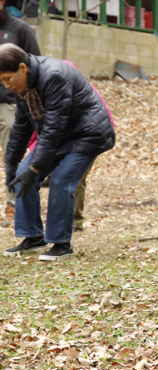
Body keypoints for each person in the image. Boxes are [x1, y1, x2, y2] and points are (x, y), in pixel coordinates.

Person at [0, 43, 115, 261]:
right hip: (61, 136)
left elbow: (53, 127)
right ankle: (33, 237)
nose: (6, 86)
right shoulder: (22, 88)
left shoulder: (53, 76)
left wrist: (35, 168)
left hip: (87, 135)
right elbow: (22, 127)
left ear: (23, 68)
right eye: (2, 81)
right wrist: (11, 165)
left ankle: (62, 244)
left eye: (7, 79)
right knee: (22, 173)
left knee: (61, 180)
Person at [0, 0, 41, 227]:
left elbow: (35, 63)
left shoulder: (20, 29)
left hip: (7, 103)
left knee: (12, 154)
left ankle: (13, 203)